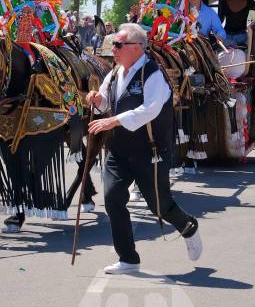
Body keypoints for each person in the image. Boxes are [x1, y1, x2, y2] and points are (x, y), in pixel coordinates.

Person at [86, 23, 202, 274]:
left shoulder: (153, 74)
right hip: (119, 149)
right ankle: (128, 259)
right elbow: (107, 101)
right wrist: (97, 100)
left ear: (137, 47)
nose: (113, 50)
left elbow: (150, 109)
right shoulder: (116, 72)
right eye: (113, 45)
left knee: (159, 205)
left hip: (150, 152)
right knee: (113, 200)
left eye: (118, 45)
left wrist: (114, 120)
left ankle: (188, 227)